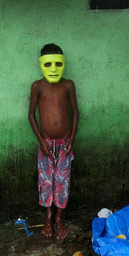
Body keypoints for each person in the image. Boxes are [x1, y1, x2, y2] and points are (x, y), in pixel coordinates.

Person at [28, 43, 79, 239]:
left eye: (58, 64)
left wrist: (72, 138)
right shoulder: (37, 86)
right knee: (46, 181)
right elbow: (31, 115)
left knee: (63, 181)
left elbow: (75, 112)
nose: (53, 69)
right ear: (41, 64)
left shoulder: (68, 85)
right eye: (48, 64)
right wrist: (41, 141)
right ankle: (48, 217)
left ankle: (59, 218)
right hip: (46, 144)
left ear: (63, 64)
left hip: (65, 143)